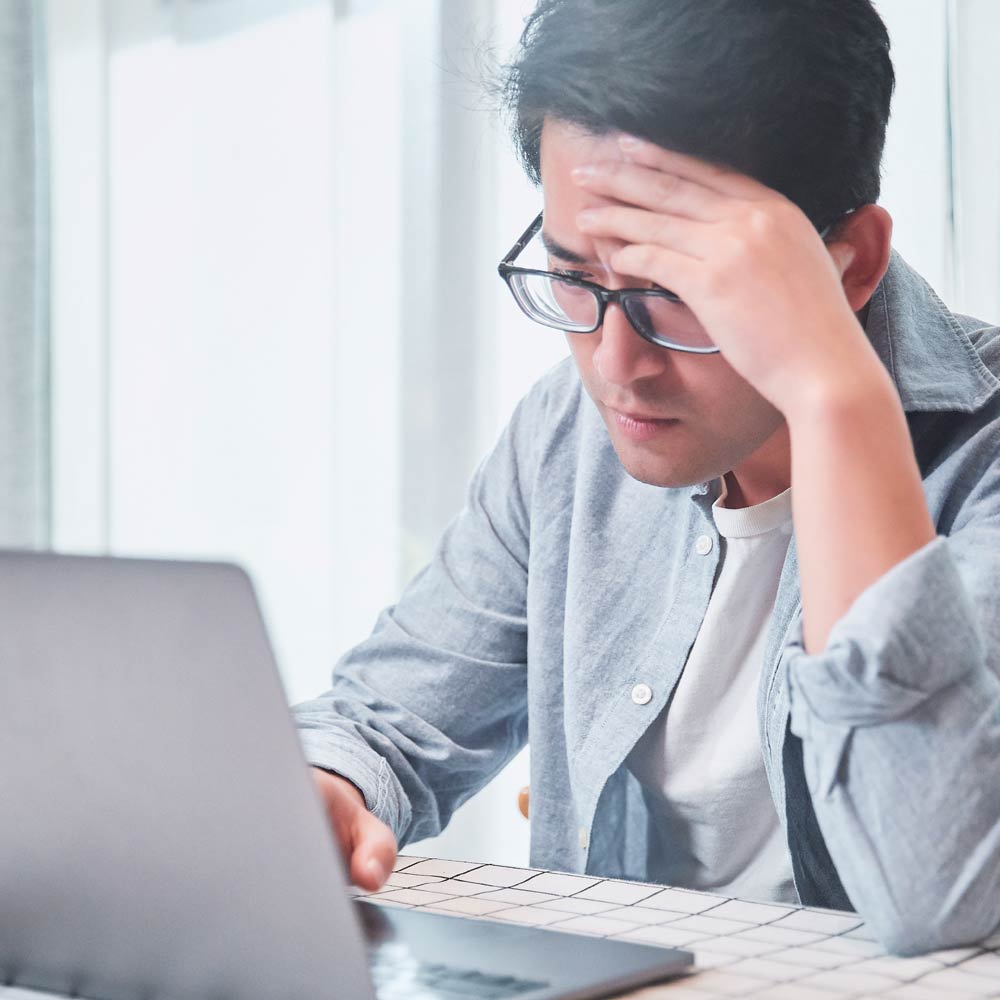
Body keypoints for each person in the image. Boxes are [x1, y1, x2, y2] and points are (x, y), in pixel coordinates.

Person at [293, 0, 1000, 955]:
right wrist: (325, 788)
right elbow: (386, 723)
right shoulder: (567, 433)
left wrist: (837, 395)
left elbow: (937, 893)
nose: (616, 364)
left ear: (852, 264)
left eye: (676, 294)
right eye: (573, 275)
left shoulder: (980, 455)